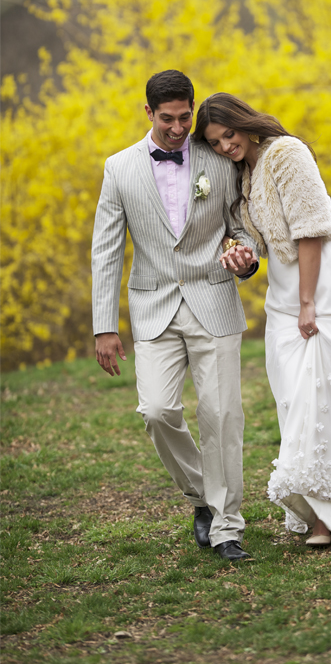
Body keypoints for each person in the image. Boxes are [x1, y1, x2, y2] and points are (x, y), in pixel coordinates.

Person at [194, 93, 331, 546]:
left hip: (321, 282)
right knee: (294, 398)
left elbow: (310, 228)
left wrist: (308, 302)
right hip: (282, 290)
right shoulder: (244, 176)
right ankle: (318, 504)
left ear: (245, 124)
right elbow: (258, 241)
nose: (225, 146)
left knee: (326, 394)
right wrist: (243, 254)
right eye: (214, 142)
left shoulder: (288, 154)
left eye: (228, 134)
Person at [92, 70, 259, 562]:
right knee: (157, 412)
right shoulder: (119, 168)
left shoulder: (218, 158)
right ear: (149, 113)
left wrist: (244, 256)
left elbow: (240, 228)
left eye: (185, 117)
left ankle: (228, 527)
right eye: (167, 119)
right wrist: (105, 325)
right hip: (153, 307)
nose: (178, 128)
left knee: (221, 415)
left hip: (214, 299)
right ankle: (205, 495)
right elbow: (106, 251)